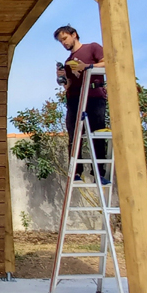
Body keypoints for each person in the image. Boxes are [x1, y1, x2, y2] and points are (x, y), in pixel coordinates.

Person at [53, 25, 110, 184]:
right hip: (75, 99)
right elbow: (68, 85)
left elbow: (108, 63)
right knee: (74, 136)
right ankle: (76, 173)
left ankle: (99, 174)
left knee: (97, 135)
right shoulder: (67, 61)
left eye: (64, 39)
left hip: (94, 96)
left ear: (74, 34)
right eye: (60, 41)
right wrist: (62, 78)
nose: (63, 43)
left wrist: (87, 67)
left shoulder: (92, 48)